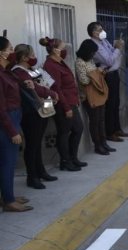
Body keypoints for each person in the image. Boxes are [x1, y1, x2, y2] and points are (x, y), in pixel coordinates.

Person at [12, 44, 59, 189]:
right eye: (32, 55)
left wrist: (50, 92)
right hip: (31, 111)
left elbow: (43, 81)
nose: (34, 57)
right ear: (24, 57)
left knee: (38, 142)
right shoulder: (18, 71)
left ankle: (41, 171)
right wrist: (51, 93)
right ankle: (32, 177)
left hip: (43, 106)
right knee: (32, 145)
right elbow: (35, 87)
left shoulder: (30, 69)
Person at [41, 36, 87, 171]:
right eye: (62, 48)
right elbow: (57, 89)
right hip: (63, 104)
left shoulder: (59, 62)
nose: (65, 50)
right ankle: (65, 161)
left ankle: (73, 157)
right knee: (64, 132)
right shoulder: (50, 65)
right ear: (55, 50)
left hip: (71, 101)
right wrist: (66, 107)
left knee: (78, 129)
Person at [0, 37, 33, 212]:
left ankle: (7, 195)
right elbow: (1, 108)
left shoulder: (7, 71)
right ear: (1, 53)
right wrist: (13, 131)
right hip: (7, 121)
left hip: (14, 117)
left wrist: (24, 82)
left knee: (6, 161)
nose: (12, 52)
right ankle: (9, 201)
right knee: (8, 162)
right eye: (9, 48)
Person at [87, 22, 128, 143]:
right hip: (106, 75)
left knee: (116, 102)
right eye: (99, 30)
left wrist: (115, 49)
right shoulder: (95, 45)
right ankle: (110, 132)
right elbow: (110, 60)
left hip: (113, 73)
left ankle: (117, 128)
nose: (102, 31)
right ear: (94, 33)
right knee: (110, 104)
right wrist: (117, 48)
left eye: (102, 29)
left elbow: (113, 55)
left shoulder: (104, 42)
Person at [75, 39, 113, 156]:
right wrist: (97, 73)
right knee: (94, 121)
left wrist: (98, 72)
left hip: (98, 92)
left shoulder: (90, 60)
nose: (93, 55)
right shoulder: (80, 62)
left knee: (101, 119)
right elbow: (84, 80)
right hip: (89, 94)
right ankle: (97, 145)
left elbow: (92, 76)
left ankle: (103, 142)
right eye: (92, 52)